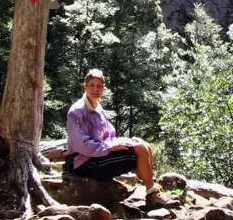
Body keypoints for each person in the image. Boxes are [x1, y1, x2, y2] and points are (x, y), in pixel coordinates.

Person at [65, 69, 178, 208]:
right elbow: (80, 144)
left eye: (99, 86)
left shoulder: (97, 108)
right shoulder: (77, 111)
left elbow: (108, 135)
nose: (95, 89)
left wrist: (125, 141)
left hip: (96, 155)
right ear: (85, 86)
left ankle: (152, 189)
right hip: (82, 162)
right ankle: (152, 194)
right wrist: (109, 147)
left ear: (103, 88)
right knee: (140, 150)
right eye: (91, 85)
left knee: (144, 145)